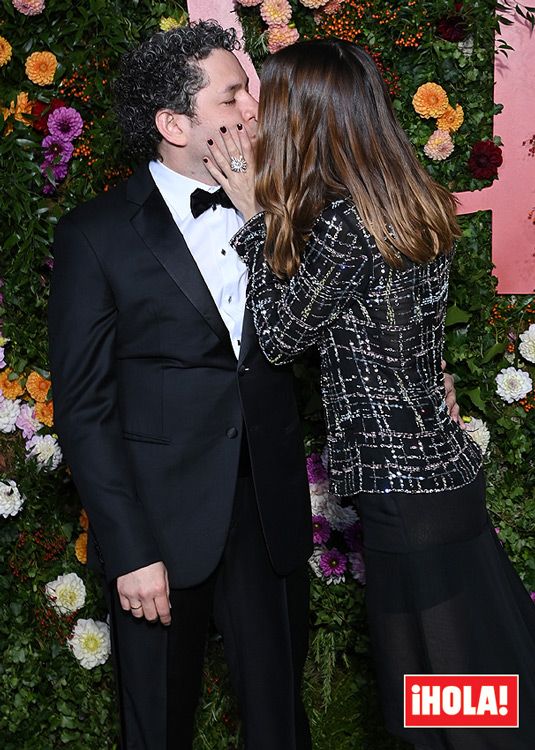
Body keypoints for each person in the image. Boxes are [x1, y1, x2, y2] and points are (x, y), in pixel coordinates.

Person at [204, 39, 535, 750]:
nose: (257, 120)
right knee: (470, 692)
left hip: (404, 498)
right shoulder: (403, 199)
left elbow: (281, 334)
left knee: (441, 713)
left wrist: (254, 217)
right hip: (438, 481)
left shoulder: (344, 223)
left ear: (309, 120)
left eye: (272, 105)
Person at [47, 22, 314, 750]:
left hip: (269, 520)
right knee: (159, 727)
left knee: (280, 727)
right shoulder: (95, 234)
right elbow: (83, 408)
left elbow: (325, 336)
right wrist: (128, 549)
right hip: (160, 530)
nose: (252, 111)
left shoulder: (284, 212)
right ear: (174, 123)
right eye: (233, 96)